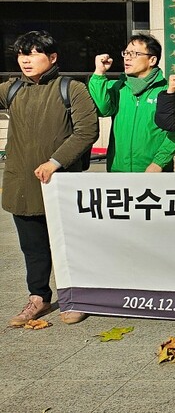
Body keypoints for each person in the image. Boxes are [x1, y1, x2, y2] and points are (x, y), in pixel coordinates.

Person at [2, 31, 99, 326]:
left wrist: (55, 162)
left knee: (68, 244)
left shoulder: (71, 89)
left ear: (53, 57)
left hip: (62, 183)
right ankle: (38, 297)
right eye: (22, 55)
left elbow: (87, 130)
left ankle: (75, 298)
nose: (26, 60)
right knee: (32, 247)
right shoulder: (12, 89)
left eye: (33, 54)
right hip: (22, 183)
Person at [88, 34, 175, 172]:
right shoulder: (118, 87)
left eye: (135, 54)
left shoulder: (170, 91)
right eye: (126, 53)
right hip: (118, 171)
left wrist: (158, 163)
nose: (127, 58)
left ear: (152, 60)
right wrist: (99, 73)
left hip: (153, 173)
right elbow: (103, 109)